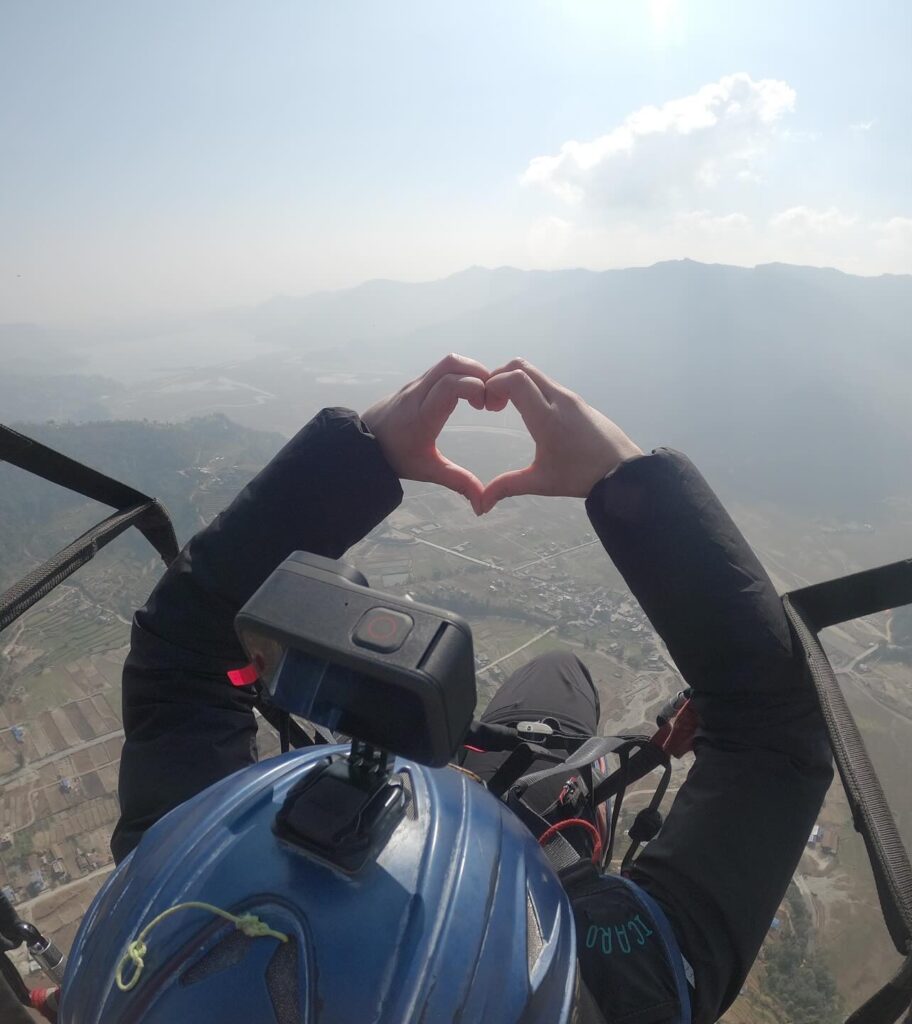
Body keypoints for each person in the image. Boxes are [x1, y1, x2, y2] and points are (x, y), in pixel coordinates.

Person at [67, 355, 833, 1023]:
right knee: (558, 681)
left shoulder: (171, 892)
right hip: (540, 838)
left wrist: (357, 456)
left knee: (547, 693)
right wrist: (624, 480)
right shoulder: (621, 989)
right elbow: (777, 733)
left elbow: (181, 651)